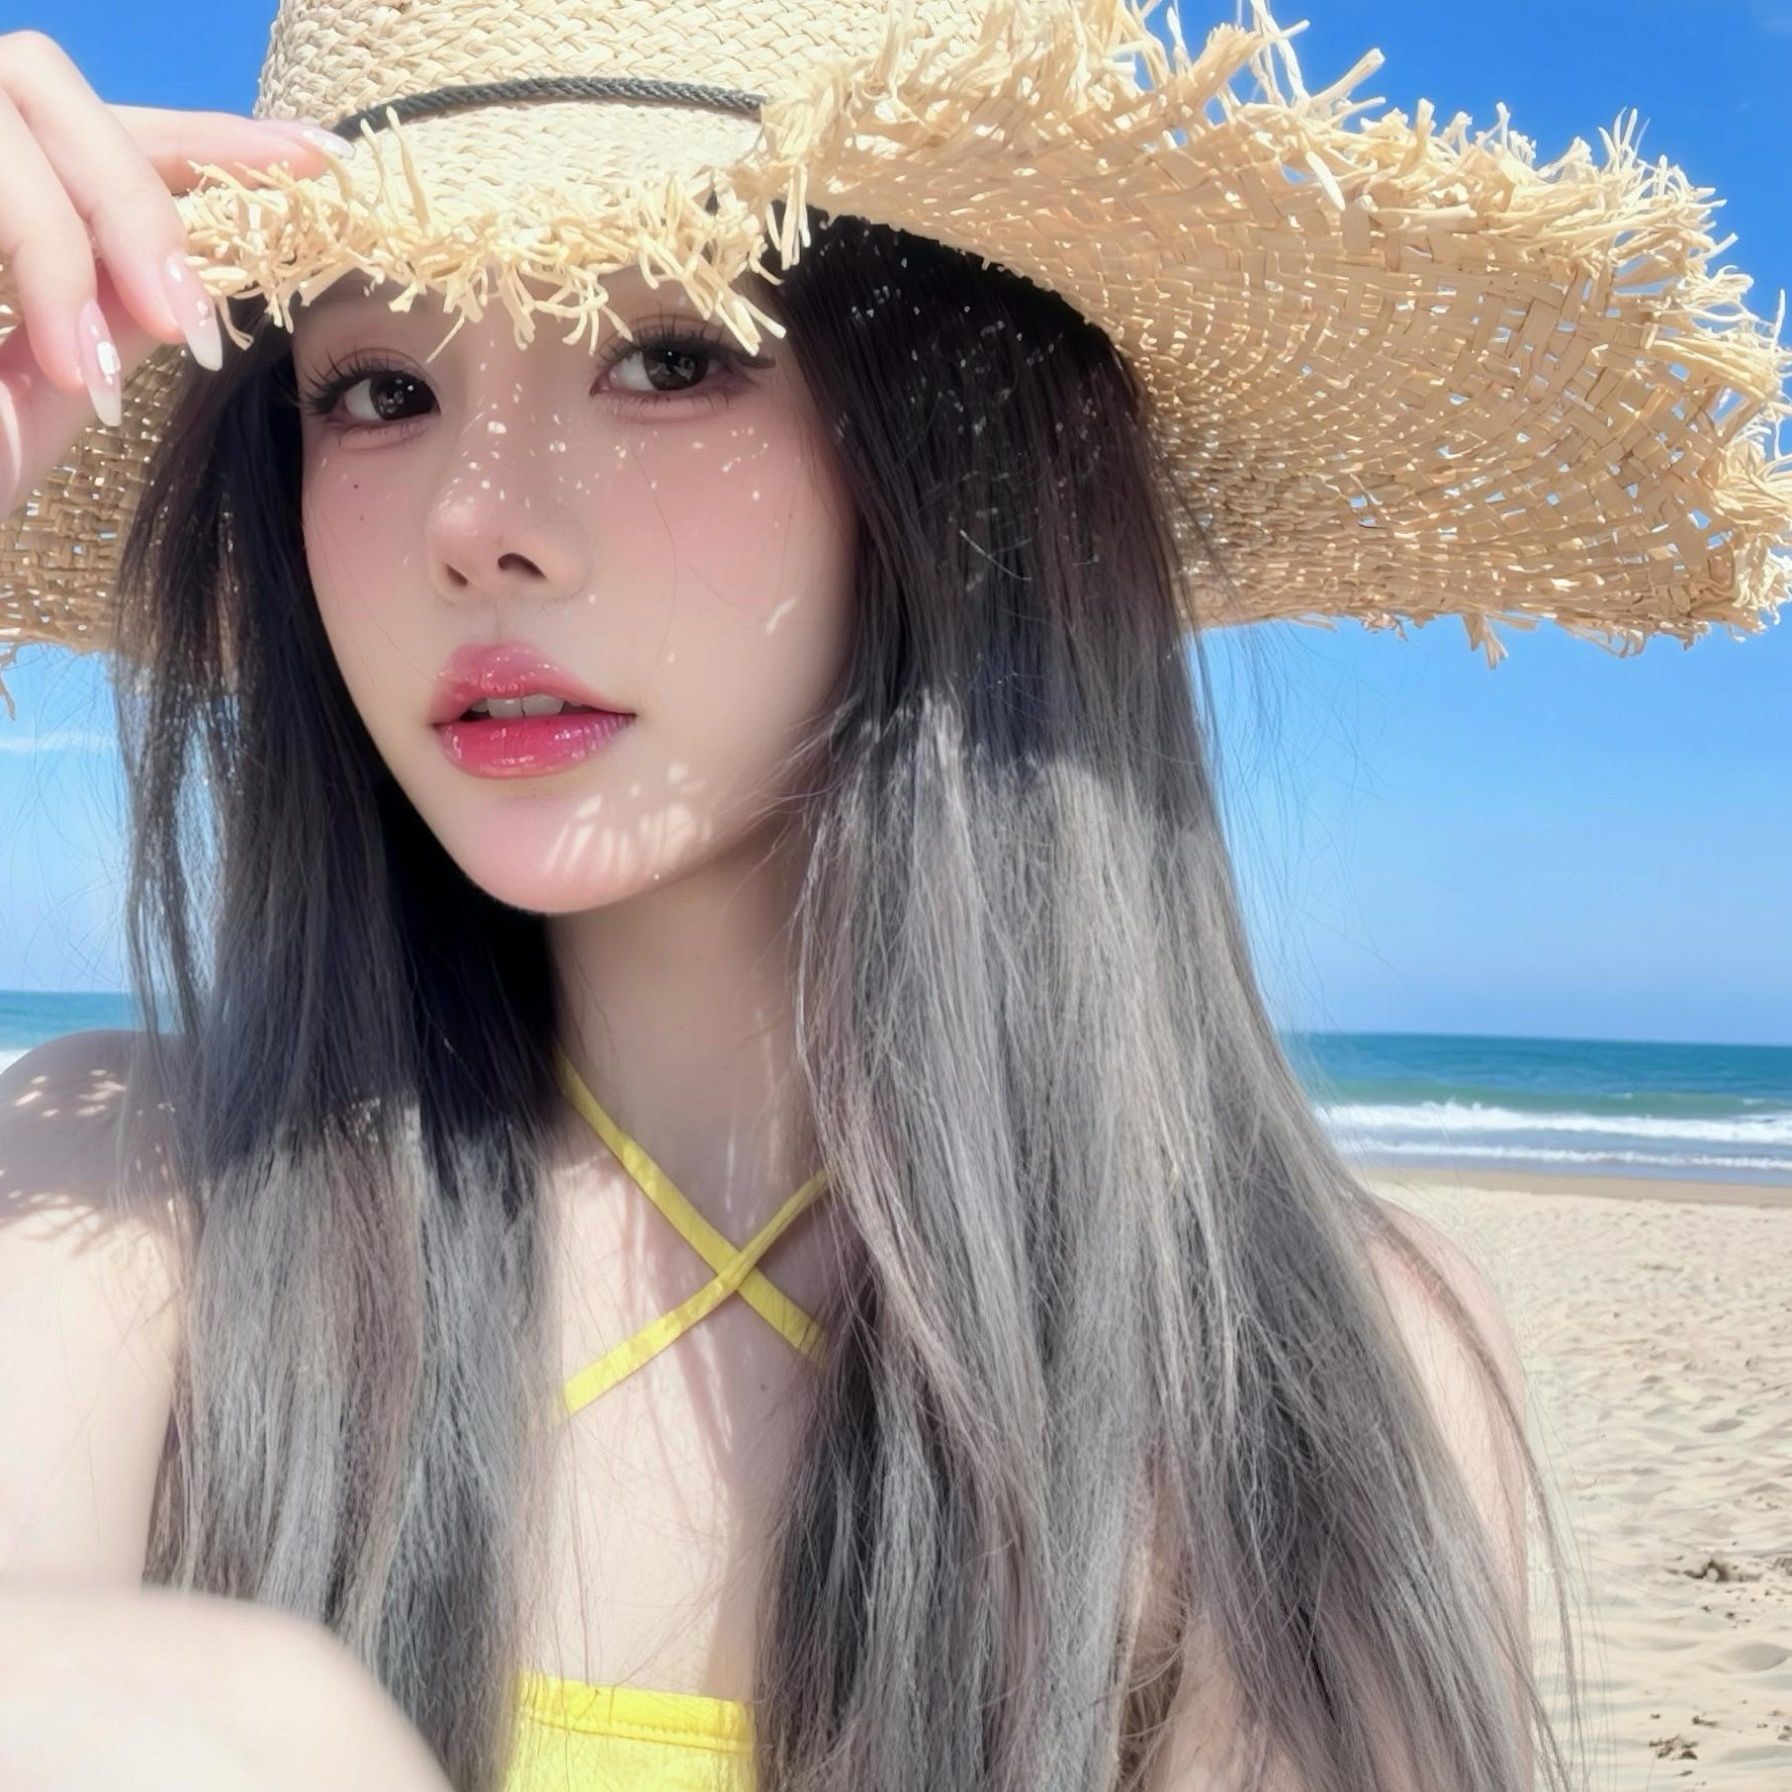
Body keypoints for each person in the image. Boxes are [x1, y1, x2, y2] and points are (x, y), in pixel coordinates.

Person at [0, 3, 1787, 1789]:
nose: (478, 525)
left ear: (952, 449)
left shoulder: (1275, 1377)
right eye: (379, 391)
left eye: (672, 356)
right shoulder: (130, 1204)